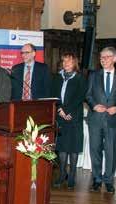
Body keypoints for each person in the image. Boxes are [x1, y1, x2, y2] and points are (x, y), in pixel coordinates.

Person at [86, 47, 116, 193]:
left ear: (115, 59)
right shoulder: (93, 75)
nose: (103, 59)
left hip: (113, 121)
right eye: (101, 57)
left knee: (111, 151)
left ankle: (109, 181)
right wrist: (94, 105)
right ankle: (97, 180)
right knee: (95, 151)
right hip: (96, 120)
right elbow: (88, 95)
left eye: (107, 57)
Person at [51, 52, 86, 189]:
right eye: (64, 61)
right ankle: (62, 174)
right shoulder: (57, 77)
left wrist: (68, 111)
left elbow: (80, 96)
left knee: (73, 147)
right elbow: (52, 94)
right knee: (62, 147)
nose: (66, 64)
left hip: (74, 117)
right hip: (60, 116)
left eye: (69, 61)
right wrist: (60, 109)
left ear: (74, 63)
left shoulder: (80, 78)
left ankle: (72, 176)